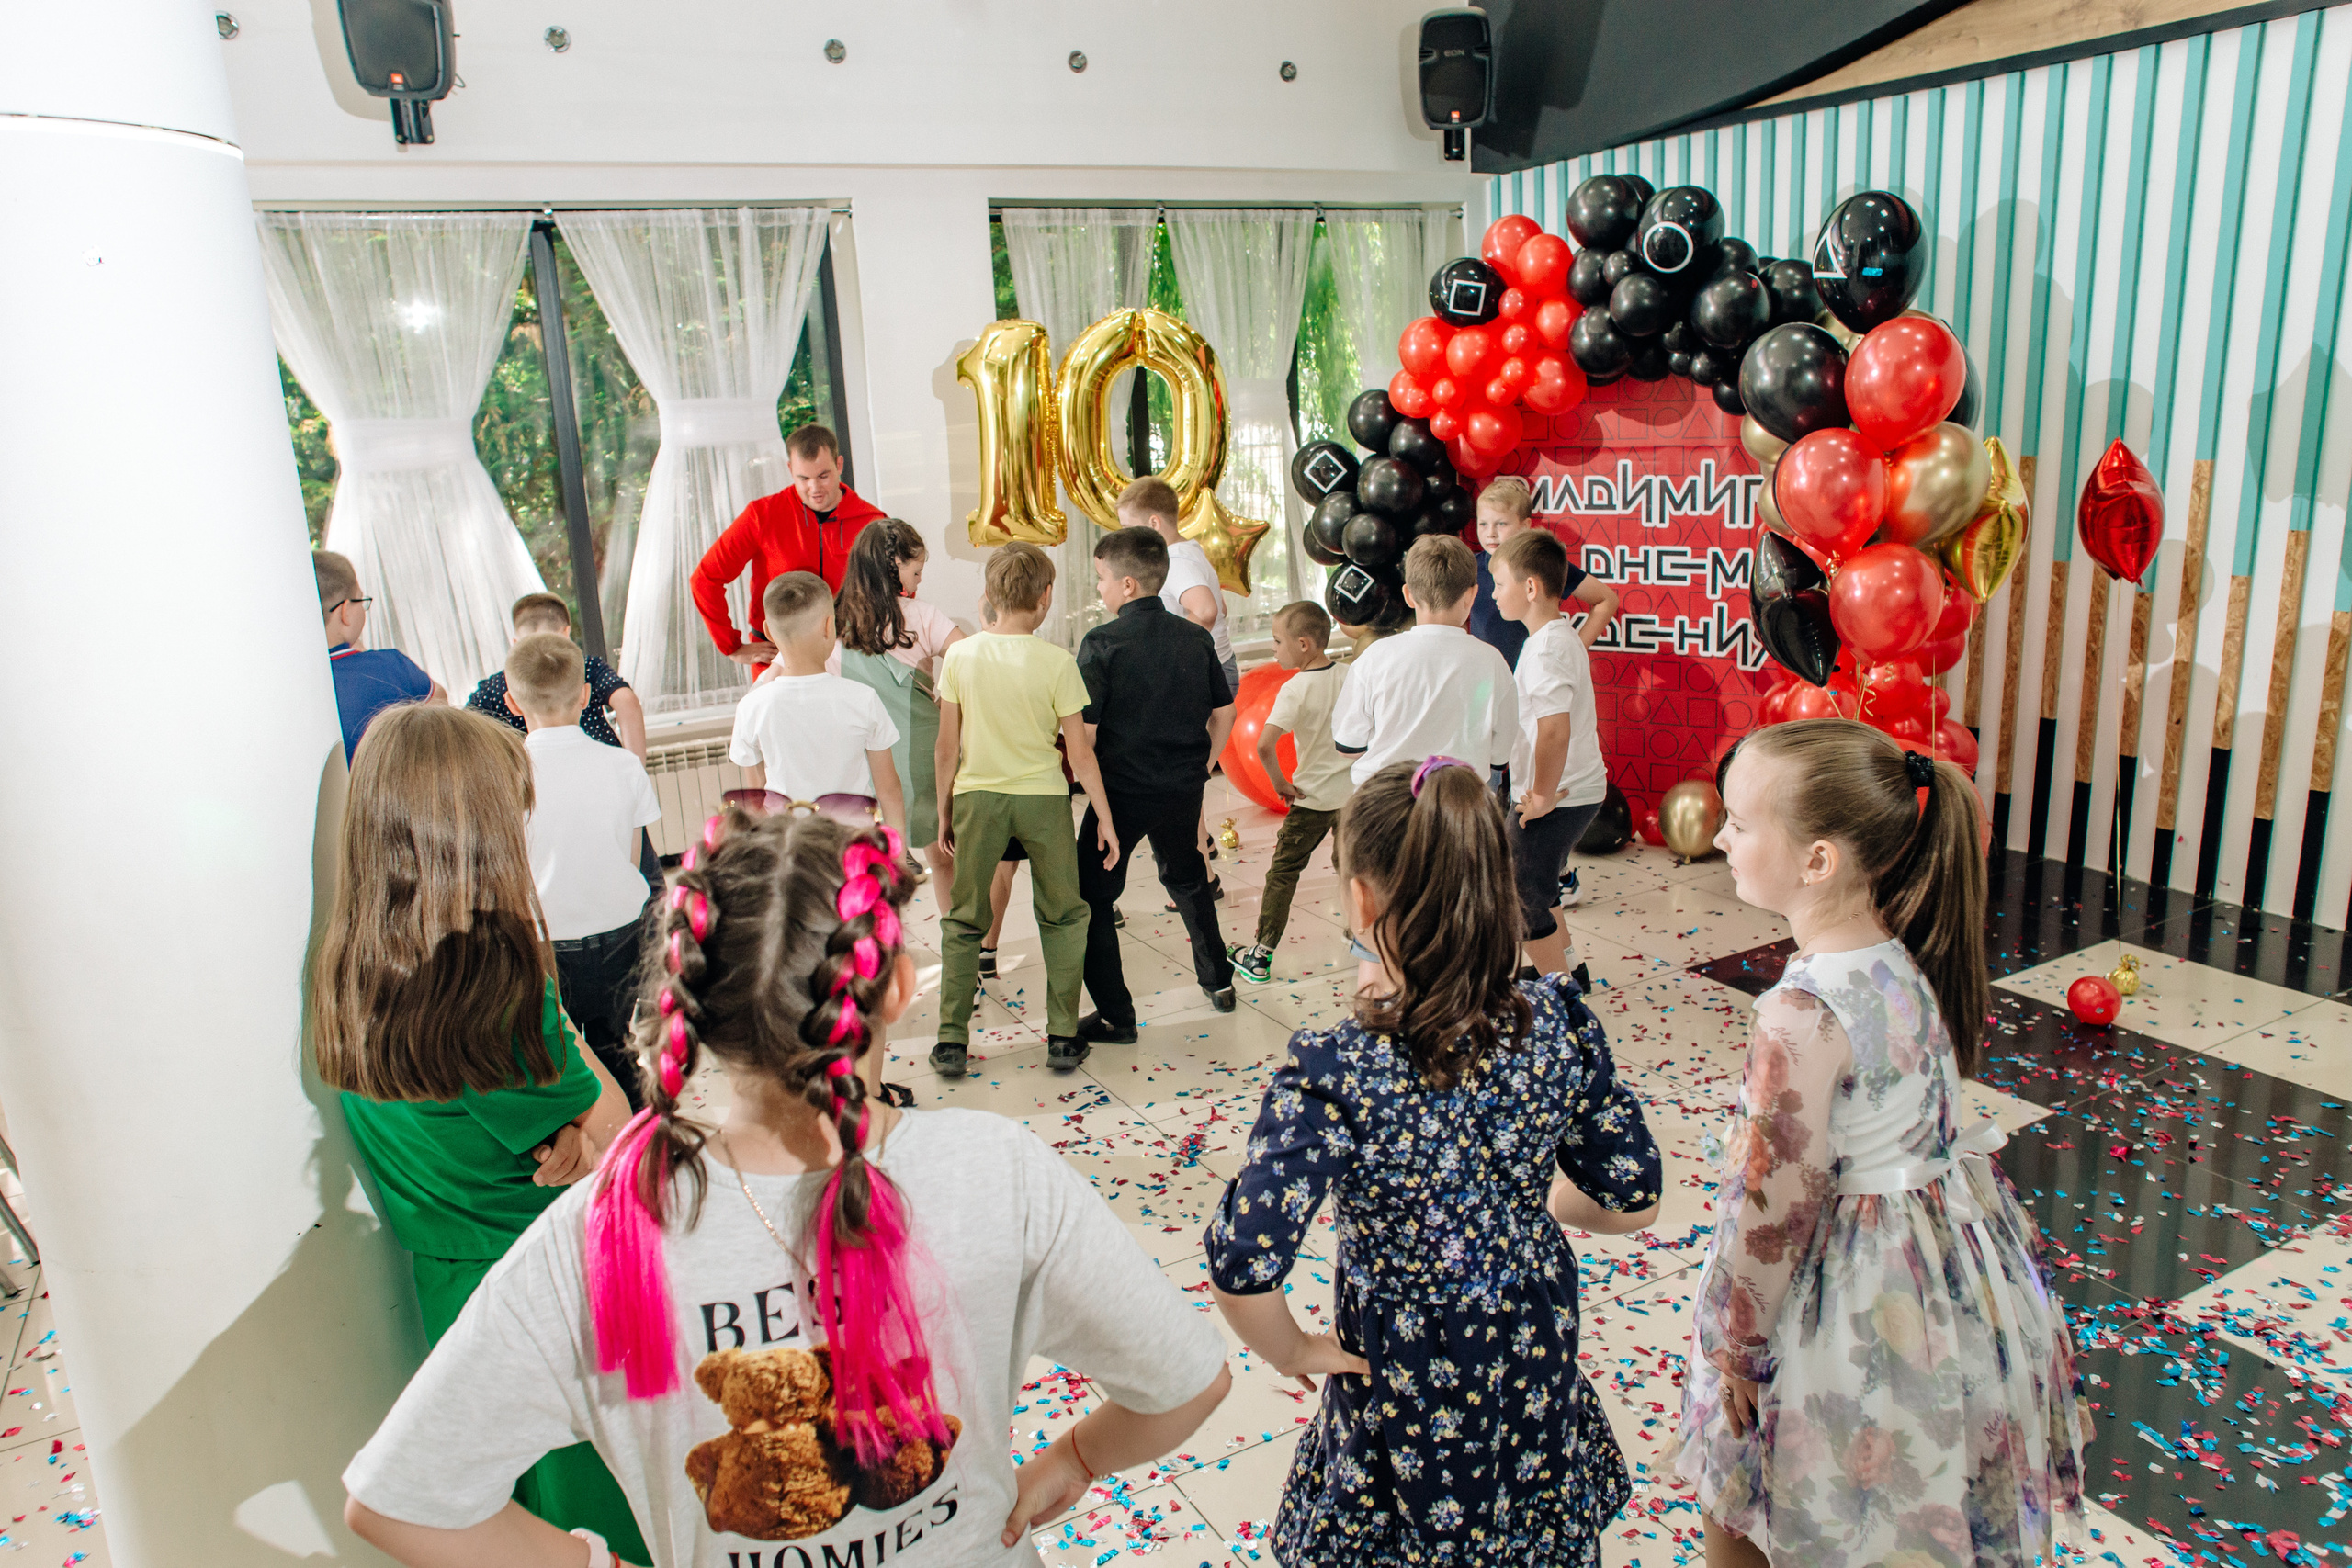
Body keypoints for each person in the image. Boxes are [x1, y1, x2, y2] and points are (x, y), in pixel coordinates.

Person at [342, 806, 1234, 1568]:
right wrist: (1074, 1458)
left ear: (682, 996)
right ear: (897, 992)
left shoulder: (595, 1237)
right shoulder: (995, 1170)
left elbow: (399, 1500)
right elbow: (1186, 1385)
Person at [1204, 756, 1661, 1566]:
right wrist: (1540, 1207)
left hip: (1403, 1368)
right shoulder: (1560, 1022)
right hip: (1531, 1341)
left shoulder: (1336, 1071)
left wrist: (1296, 1352)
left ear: (1361, 899)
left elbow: (1246, 1266)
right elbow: (1633, 1198)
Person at [1674, 719, 2088, 1568]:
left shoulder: (1798, 1014)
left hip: (1848, 1288)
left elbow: (1774, 1205)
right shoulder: (1903, 962)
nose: (1719, 835)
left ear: (1817, 860)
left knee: (1749, 1486)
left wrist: (1738, 1348)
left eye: (1741, 823)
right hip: (1939, 1273)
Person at [311, 703, 642, 1560]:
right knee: (602, 1513)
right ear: (476, 833)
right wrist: (571, 1059)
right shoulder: (492, 978)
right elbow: (619, 1137)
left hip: (449, 1285)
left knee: (513, 1509)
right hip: (551, 1289)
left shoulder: (351, 960)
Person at [933, 544, 1120, 1076]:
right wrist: (1104, 817)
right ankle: (1062, 1036)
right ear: (1045, 597)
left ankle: (951, 1041)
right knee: (1063, 914)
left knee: (965, 918)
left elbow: (948, 747)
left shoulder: (960, 656)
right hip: (1043, 801)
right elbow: (1080, 754)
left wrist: (945, 809)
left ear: (989, 597)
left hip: (979, 798)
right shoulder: (1058, 661)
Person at [1070, 526, 1238, 1044]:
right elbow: (1224, 711)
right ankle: (1220, 983)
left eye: (1100, 578)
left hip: (1119, 794)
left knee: (1093, 896)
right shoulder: (1195, 638)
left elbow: (1089, 733)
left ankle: (1117, 1015)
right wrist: (1204, 763)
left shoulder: (1101, 643)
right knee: (1187, 876)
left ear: (1125, 584)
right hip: (1182, 786)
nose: (1097, 588)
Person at [507, 633, 665, 1112]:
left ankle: (593, 1143)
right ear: (584, 696)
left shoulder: (505, 776)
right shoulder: (623, 766)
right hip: (624, 939)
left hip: (547, 946)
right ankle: (641, 1134)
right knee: (617, 1046)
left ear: (513, 703)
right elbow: (633, 855)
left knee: (566, 1059)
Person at [826, 519, 964, 914]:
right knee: (942, 855)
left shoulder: (833, 624)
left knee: (870, 867)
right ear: (894, 566)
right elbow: (971, 660)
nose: (919, 581)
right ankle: (961, 960)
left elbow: (786, 676)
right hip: (923, 755)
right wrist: (944, 701)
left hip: (864, 761)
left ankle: (877, 954)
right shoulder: (921, 615)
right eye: (916, 570)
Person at [1494, 527, 1607, 989]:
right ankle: (1568, 969)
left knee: (1521, 894)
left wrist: (1540, 795)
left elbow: (1554, 727)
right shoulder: (1557, 637)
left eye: (1500, 584)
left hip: (1559, 794)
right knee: (1541, 885)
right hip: (1569, 789)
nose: (1495, 595)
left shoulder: (1546, 650)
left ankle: (1562, 999)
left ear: (1531, 588)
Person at [727, 571, 907, 845]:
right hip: (853, 846)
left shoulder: (751, 707)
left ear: (769, 631)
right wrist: (898, 856)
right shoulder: (862, 699)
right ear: (829, 627)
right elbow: (889, 789)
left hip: (789, 847)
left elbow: (756, 801)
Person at [690, 425, 885, 674]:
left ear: (839, 464)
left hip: (851, 656)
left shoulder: (871, 521)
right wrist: (731, 646)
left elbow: (898, 590)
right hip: (778, 659)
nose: (814, 488)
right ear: (790, 469)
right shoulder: (762, 515)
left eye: (823, 475)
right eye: (804, 478)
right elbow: (705, 578)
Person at [1330, 536, 1517, 790]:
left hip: (1385, 801)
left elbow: (1347, 746)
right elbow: (1500, 754)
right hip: (1462, 802)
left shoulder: (1375, 657)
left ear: (1408, 594)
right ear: (1471, 595)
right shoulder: (1492, 661)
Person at [1229, 601, 1351, 986]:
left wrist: (1279, 782)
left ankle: (1261, 955)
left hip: (1311, 799)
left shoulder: (1294, 689)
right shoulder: (1351, 675)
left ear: (1303, 644)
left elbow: (1265, 745)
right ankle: (1363, 933)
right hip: (1352, 796)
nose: (1273, 649)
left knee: (1284, 872)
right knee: (1352, 867)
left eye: (1277, 641)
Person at [468, 592, 648, 761]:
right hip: (600, 766)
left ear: (516, 644)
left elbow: (464, 730)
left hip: (532, 780)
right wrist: (634, 768)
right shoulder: (586, 668)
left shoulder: (498, 685)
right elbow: (626, 700)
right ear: (565, 633)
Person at [1464, 475, 1621, 670]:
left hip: (1537, 676)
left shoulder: (1543, 564)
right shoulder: (1468, 566)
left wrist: (1575, 651)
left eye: (1501, 524)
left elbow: (1606, 600)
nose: (1490, 533)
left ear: (1525, 525)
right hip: (1487, 680)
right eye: (1483, 524)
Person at [317, 549, 446, 763]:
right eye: (361, 601)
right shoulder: (391, 666)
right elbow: (440, 705)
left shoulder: (292, 683)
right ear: (345, 612)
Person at [1116, 476, 1236, 693]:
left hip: (1204, 673)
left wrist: (1171, 656)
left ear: (1153, 523)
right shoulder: (1189, 550)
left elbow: (1206, 610)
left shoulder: (1176, 560)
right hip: (1217, 667)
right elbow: (1221, 608)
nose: (1126, 536)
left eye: (1128, 527)